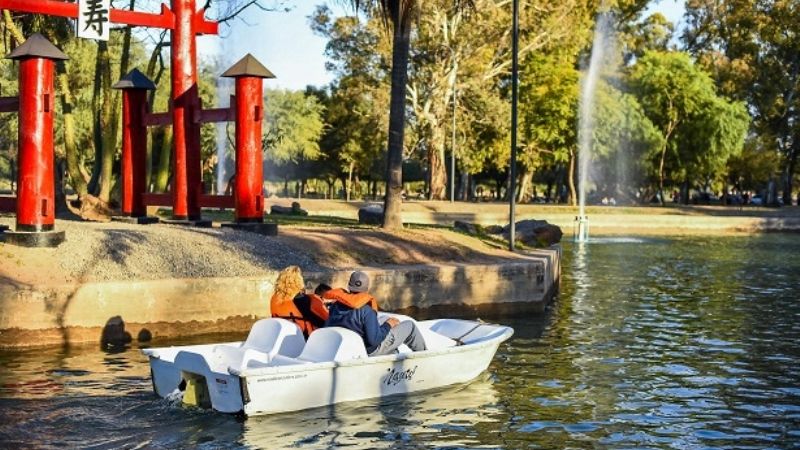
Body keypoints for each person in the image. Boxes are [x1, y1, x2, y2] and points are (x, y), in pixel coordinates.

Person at [324, 271, 426, 356]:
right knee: (410, 326)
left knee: (385, 318)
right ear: (366, 289)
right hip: (370, 350)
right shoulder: (366, 311)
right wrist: (388, 325)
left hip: (352, 348)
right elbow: (374, 340)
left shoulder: (335, 306)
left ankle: (393, 356)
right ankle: (426, 358)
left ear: (349, 286)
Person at [270, 266, 329, 339]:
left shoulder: (274, 298)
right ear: (298, 280)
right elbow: (323, 322)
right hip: (304, 339)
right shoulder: (301, 299)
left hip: (282, 336)